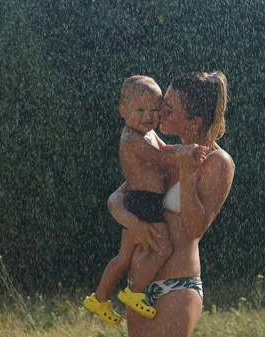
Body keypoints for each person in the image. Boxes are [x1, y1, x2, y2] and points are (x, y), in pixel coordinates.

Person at [107, 71, 235, 336]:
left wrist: (188, 173)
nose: (159, 111)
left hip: (177, 286)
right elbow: (115, 201)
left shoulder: (217, 163)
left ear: (195, 121)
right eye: (163, 101)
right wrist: (135, 225)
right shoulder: (163, 154)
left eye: (169, 107)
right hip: (138, 288)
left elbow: (194, 228)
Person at [84, 75, 207, 325]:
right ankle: (134, 293)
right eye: (139, 109)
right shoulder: (131, 139)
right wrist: (185, 157)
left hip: (136, 201)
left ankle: (99, 297)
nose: (147, 116)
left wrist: (188, 149)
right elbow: (159, 158)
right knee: (164, 247)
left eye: (153, 109)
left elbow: (164, 149)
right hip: (144, 203)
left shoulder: (147, 134)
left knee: (123, 257)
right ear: (123, 111)